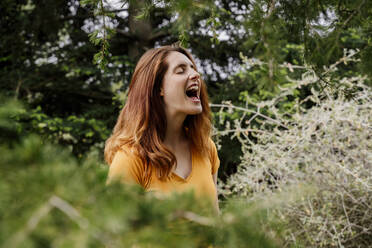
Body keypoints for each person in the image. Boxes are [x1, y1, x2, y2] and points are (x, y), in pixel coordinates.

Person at [105, 44, 220, 213]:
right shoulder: (130, 158)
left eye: (193, 69)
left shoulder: (205, 146)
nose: (196, 75)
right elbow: (114, 233)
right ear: (158, 88)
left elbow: (216, 218)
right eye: (181, 70)